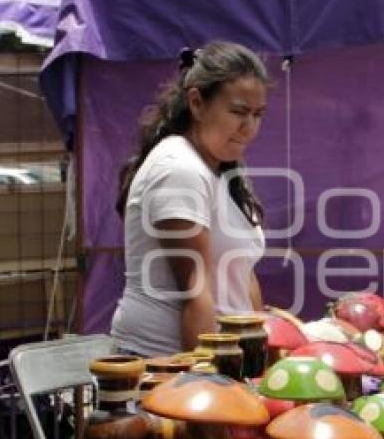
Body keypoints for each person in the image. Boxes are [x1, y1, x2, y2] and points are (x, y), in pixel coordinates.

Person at [111, 42, 268, 357]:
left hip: (225, 358)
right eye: (238, 112)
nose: (249, 128)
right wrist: (206, 384)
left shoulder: (223, 173)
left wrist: (259, 349)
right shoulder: (179, 169)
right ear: (196, 103)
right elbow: (196, 292)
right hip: (162, 367)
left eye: (257, 115)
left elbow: (243, 274)